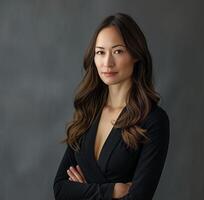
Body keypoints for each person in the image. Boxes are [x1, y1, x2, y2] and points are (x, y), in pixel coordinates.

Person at [53, 12, 170, 200]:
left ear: (136, 55)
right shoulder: (88, 112)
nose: (107, 63)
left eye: (118, 51)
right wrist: (113, 190)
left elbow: (138, 197)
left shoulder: (154, 120)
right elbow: (60, 189)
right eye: (100, 52)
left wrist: (83, 191)